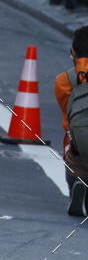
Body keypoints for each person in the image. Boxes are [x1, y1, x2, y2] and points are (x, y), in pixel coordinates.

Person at [55, 26, 88, 216]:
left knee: (72, 140)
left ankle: (78, 180)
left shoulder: (63, 81)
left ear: (73, 53)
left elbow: (68, 118)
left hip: (80, 149)